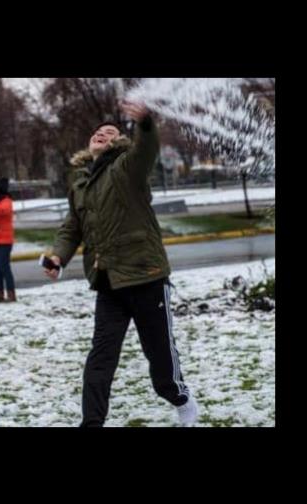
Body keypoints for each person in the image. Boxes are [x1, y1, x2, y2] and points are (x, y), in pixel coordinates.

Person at [45, 100, 199, 426]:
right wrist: (58, 256)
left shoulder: (129, 167)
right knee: (100, 359)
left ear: (119, 142)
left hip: (146, 275)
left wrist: (144, 122)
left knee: (160, 361)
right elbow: (72, 228)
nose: (102, 134)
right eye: (98, 132)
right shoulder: (80, 183)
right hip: (109, 282)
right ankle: (92, 423)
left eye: (110, 132)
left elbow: (147, 149)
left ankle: (180, 398)